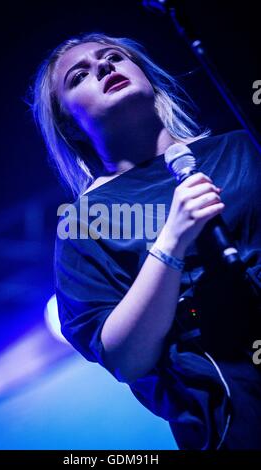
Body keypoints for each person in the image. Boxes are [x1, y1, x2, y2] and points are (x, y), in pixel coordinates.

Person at [32, 32, 261, 450]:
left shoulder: (242, 148)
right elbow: (125, 358)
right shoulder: (84, 224)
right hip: (240, 423)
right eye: (79, 75)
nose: (103, 68)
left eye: (113, 57)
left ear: (146, 75)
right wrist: (170, 241)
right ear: (69, 123)